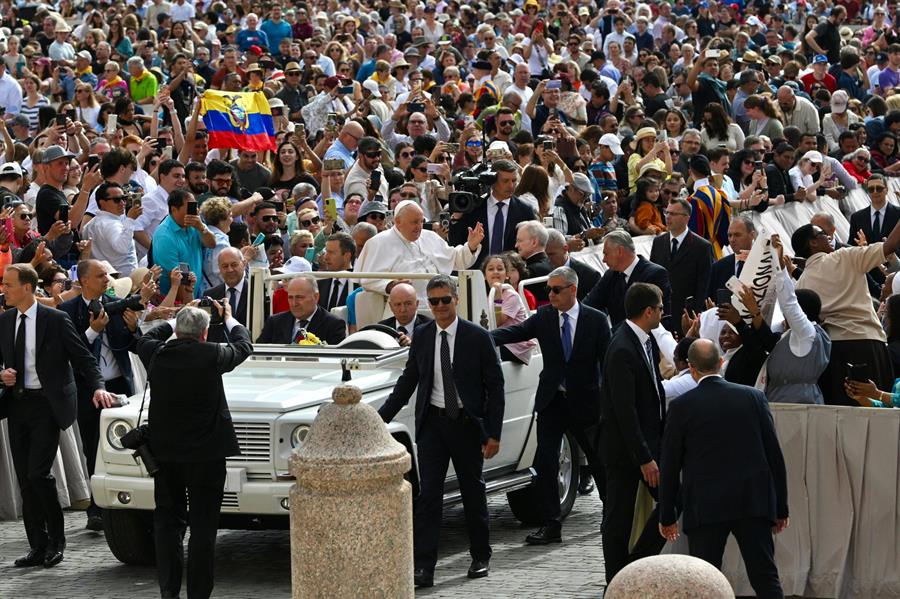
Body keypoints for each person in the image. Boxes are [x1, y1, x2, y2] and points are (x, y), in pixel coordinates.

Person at [377, 275, 505, 587]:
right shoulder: (422, 336)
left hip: (466, 424)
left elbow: (495, 387)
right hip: (432, 425)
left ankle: (480, 555)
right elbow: (408, 381)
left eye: (445, 300)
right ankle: (424, 567)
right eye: (434, 301)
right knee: (429, 497)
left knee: (473, 491)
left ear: (456, 300)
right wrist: (378, 421)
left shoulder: (477, 337)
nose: (440, 307)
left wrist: (493, 434)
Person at [0, 263, 117, 568]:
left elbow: (83, 358)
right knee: (25, 478)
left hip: (48, 406)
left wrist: (98, 387)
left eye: (8, 284)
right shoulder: (5, 320)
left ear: (27, 288)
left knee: (39, 473)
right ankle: (37, 547)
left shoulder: (55, 319)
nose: (4, 289)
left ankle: (56, 542)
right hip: (17, 404)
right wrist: (3, 375)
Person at [133, 303, 252, 599]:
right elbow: (244, 344)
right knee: (203, 527)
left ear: (177, 332)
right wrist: (229, 318)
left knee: (167, 524)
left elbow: (144, 340)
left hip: (165, 454)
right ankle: (199, 594)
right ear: (204, 333)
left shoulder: (157, 353)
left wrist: (174, 320)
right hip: (207, 455)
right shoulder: (212, 353)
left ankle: (169, 591)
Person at [658, 339, 789, 599]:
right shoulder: (754, 397)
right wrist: (781, 507)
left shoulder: (682, 407)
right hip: (752, 501)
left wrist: (667, 514)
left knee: (706, 580)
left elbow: (670, 463)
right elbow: (775, 455)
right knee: (765, 577)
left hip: (705, 504)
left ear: (692, 369)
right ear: (721, 363)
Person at [491, 266, 610, 543]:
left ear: (572, 290)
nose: (551, 295)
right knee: (544, 462)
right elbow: (517, 332)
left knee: (599, 461)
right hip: (552, 401)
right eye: (548, 290)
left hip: (586, 402)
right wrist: (479, 336)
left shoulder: (595, 320)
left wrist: (607, 399)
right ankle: (551, 524)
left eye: (556, 290)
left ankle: (610, 515)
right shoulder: (544, 316)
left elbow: (607, 361)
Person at [59, 259, 145, 531]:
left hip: (120, 385)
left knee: (129, 444)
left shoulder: (118, 305)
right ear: (83, 281)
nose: (106, 280)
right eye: (100, 276)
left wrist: (133, 328)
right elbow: (71, 352)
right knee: (93, 446)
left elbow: (133, 345)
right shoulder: (67, 311)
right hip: (87, 389)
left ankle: (131, 503)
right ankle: (96, 510)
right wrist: (93, 331)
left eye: (107, 275)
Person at [600, 282, 667, 583]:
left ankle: (634, 565)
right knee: (618, 520)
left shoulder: (644, 340)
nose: (664, 313)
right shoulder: (623, 348)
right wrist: (644, 457)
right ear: (648, 311)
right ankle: (618, 580)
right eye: (661, 308)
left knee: (671, 503)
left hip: (646, 448)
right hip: (626, 453)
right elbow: (624, 411)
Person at [792, 219, 900, 406]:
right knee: (882, 419)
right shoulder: (844, 256)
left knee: (841, 420)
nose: (827, 236)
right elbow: (889, 246)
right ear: (813, 242)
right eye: (822, 233)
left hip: (830, 354)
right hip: (867, 344)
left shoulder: (801, 283)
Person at [355, 201, 483, 300]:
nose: (419, 227)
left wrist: (471, 246)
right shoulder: (379, 242)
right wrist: (391, 285)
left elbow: (456, 259)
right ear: (398, 221)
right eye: (414, 222)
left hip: (438, 303)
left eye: (421, 222)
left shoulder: (429, 236)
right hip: (403, 309)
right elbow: (367, 279)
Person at [448, 159, 536, 268]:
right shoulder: (474, 208)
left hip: (511, 274)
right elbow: (455, 241)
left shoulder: (525, 210)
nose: (511, 185)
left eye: (514, 181)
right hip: (477, 273)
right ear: (492, 181)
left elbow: (533, 247)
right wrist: (457, 217)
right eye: (505, 181)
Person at [649, 197, 714, 336]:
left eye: (673, 214)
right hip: (661, 313)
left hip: (686, 314)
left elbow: (703, 285)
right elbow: (651, 276)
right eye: (667, 213)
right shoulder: (659, 242)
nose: (668, 217)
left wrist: (695, 315)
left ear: (686, 218)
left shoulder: (702, 247)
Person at [585, 230, 672, 328]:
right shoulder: (610, 275)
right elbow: (590, 304)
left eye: (606, 254)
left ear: (620, 251)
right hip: (618, 340)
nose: (604, 260)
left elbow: (655, 318)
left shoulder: (655, 274)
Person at [256, 275, 347, 345]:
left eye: (299, 297)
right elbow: (258, 354)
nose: (294, 303)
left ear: (316, 297)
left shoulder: (334, 325)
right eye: (290, 298)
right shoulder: (275, 322)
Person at [205, 247, 251, 342]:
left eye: (234, 265)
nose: (230, 270)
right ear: (219, 268)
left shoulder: (256, 291)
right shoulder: (210, 295)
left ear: (244, 264)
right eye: (225, 266)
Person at [708, 215, 757, 301]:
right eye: (729, 235)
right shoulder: (718, 267)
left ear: (752, 235)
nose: (732, 239)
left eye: (737, 235)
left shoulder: (764, 263)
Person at [545, 229, 600, 301]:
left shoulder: (590, 275)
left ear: (565, 249)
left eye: (551, 254)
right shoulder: (539, 273)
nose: (547, 259)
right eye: (544, 255)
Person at [377, 282, 432, 347]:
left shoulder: (430, 328)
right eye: (398, 304)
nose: (403, 310)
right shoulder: (381, 329)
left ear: (416, 304)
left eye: (408, 304)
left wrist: (413, 346)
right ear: (391, 306)